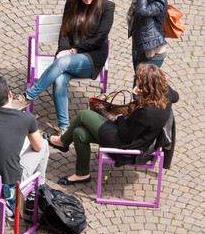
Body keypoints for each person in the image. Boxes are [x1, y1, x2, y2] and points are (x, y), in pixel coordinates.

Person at [44, 64, 179, 185]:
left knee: (84, 115)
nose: (135, 83)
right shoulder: (165, 92)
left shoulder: (147, 112)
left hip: (126, 146)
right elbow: (176, 96)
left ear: (146, 86)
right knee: (79, 133)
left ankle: (62, 142)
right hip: (134, 137)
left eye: (138, 81)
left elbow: (126, 136)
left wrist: (119, 117)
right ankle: (82, 173)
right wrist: (142, 95)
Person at [13, 0, 115, 134]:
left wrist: (72, 51)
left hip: (92, 58)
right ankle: (64, 127)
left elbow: (99, 38)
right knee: (59, 80)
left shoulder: (107, 7)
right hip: (68, 57)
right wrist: (62, 51)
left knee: (62, 63)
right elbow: (65, 32)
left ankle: (27, 97)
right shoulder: (71, 3)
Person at [0, 76, 49, 213]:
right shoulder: (27, 118)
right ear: (10, 95)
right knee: (44, 144)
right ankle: (37, 192)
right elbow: (37, 147)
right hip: (12, 181)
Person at [128, 0, 168, 78]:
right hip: (140, 49)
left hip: (152, 53)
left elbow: (142, 11)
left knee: (141, 90)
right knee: (137, 85)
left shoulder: (159, 0)